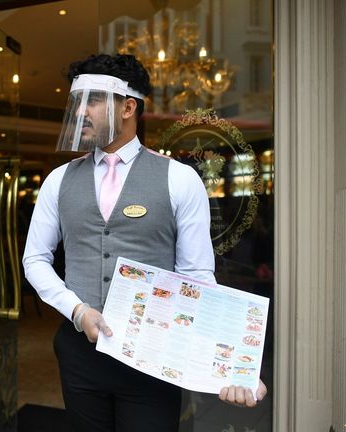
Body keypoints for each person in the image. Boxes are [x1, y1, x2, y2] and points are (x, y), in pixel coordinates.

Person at [22, 54, 266, 432]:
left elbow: (196, 276)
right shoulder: (57, 180)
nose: (81, 113)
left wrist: (237, 362)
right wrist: (77, 310)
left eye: (94, 101)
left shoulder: (179, 179)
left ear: (128, 107)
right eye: (77, 102)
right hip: (78, 353)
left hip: (154, 354)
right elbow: (35, 259)